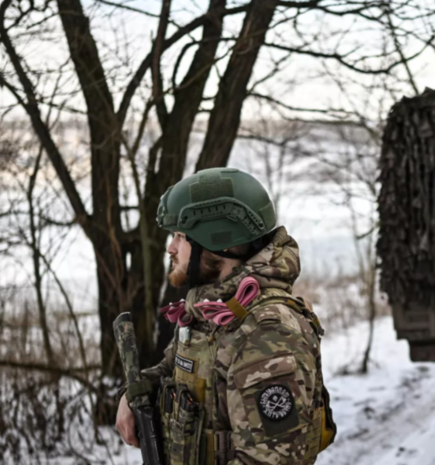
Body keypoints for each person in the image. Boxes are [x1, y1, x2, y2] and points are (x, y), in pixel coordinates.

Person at [115, 167, 336, 465]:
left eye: (181, 236)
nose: (171, 248)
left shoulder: (267, 333)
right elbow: (175, 368)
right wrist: (134, 393)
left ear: (219, 241)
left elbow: (269, 460)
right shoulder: (213, 311)